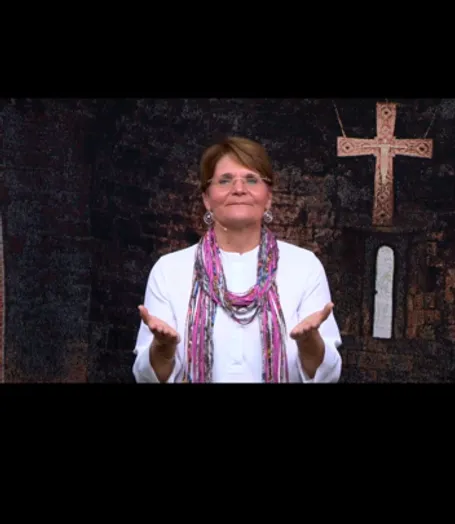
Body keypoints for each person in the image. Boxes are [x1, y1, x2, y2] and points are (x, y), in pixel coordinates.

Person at [132, 136, 342, 383]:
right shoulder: (169, 270)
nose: (239, 189)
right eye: (225, 180)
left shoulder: (305, 266)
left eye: (251, 179)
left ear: (268, 197)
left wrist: (309, 342)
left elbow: (327, 376)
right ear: (206, 198)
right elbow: (146, 377)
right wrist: (163, 349)